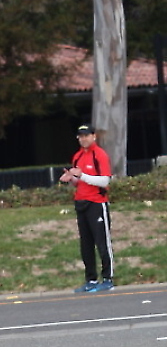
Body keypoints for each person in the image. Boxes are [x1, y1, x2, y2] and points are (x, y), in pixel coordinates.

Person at [59, 124, 114, 293]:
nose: (83, 139)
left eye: (86, 135)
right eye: (81, 136)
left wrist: (82, 175)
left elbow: (105, 181)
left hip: (97, 202)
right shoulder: (77, 156)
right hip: (81, 203)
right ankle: (91, 279)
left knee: (102, 242)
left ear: (94, 136)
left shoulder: (100, 155)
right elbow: (79, 181)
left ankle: (108, 278)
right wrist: (71, 178)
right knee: (86, 244)